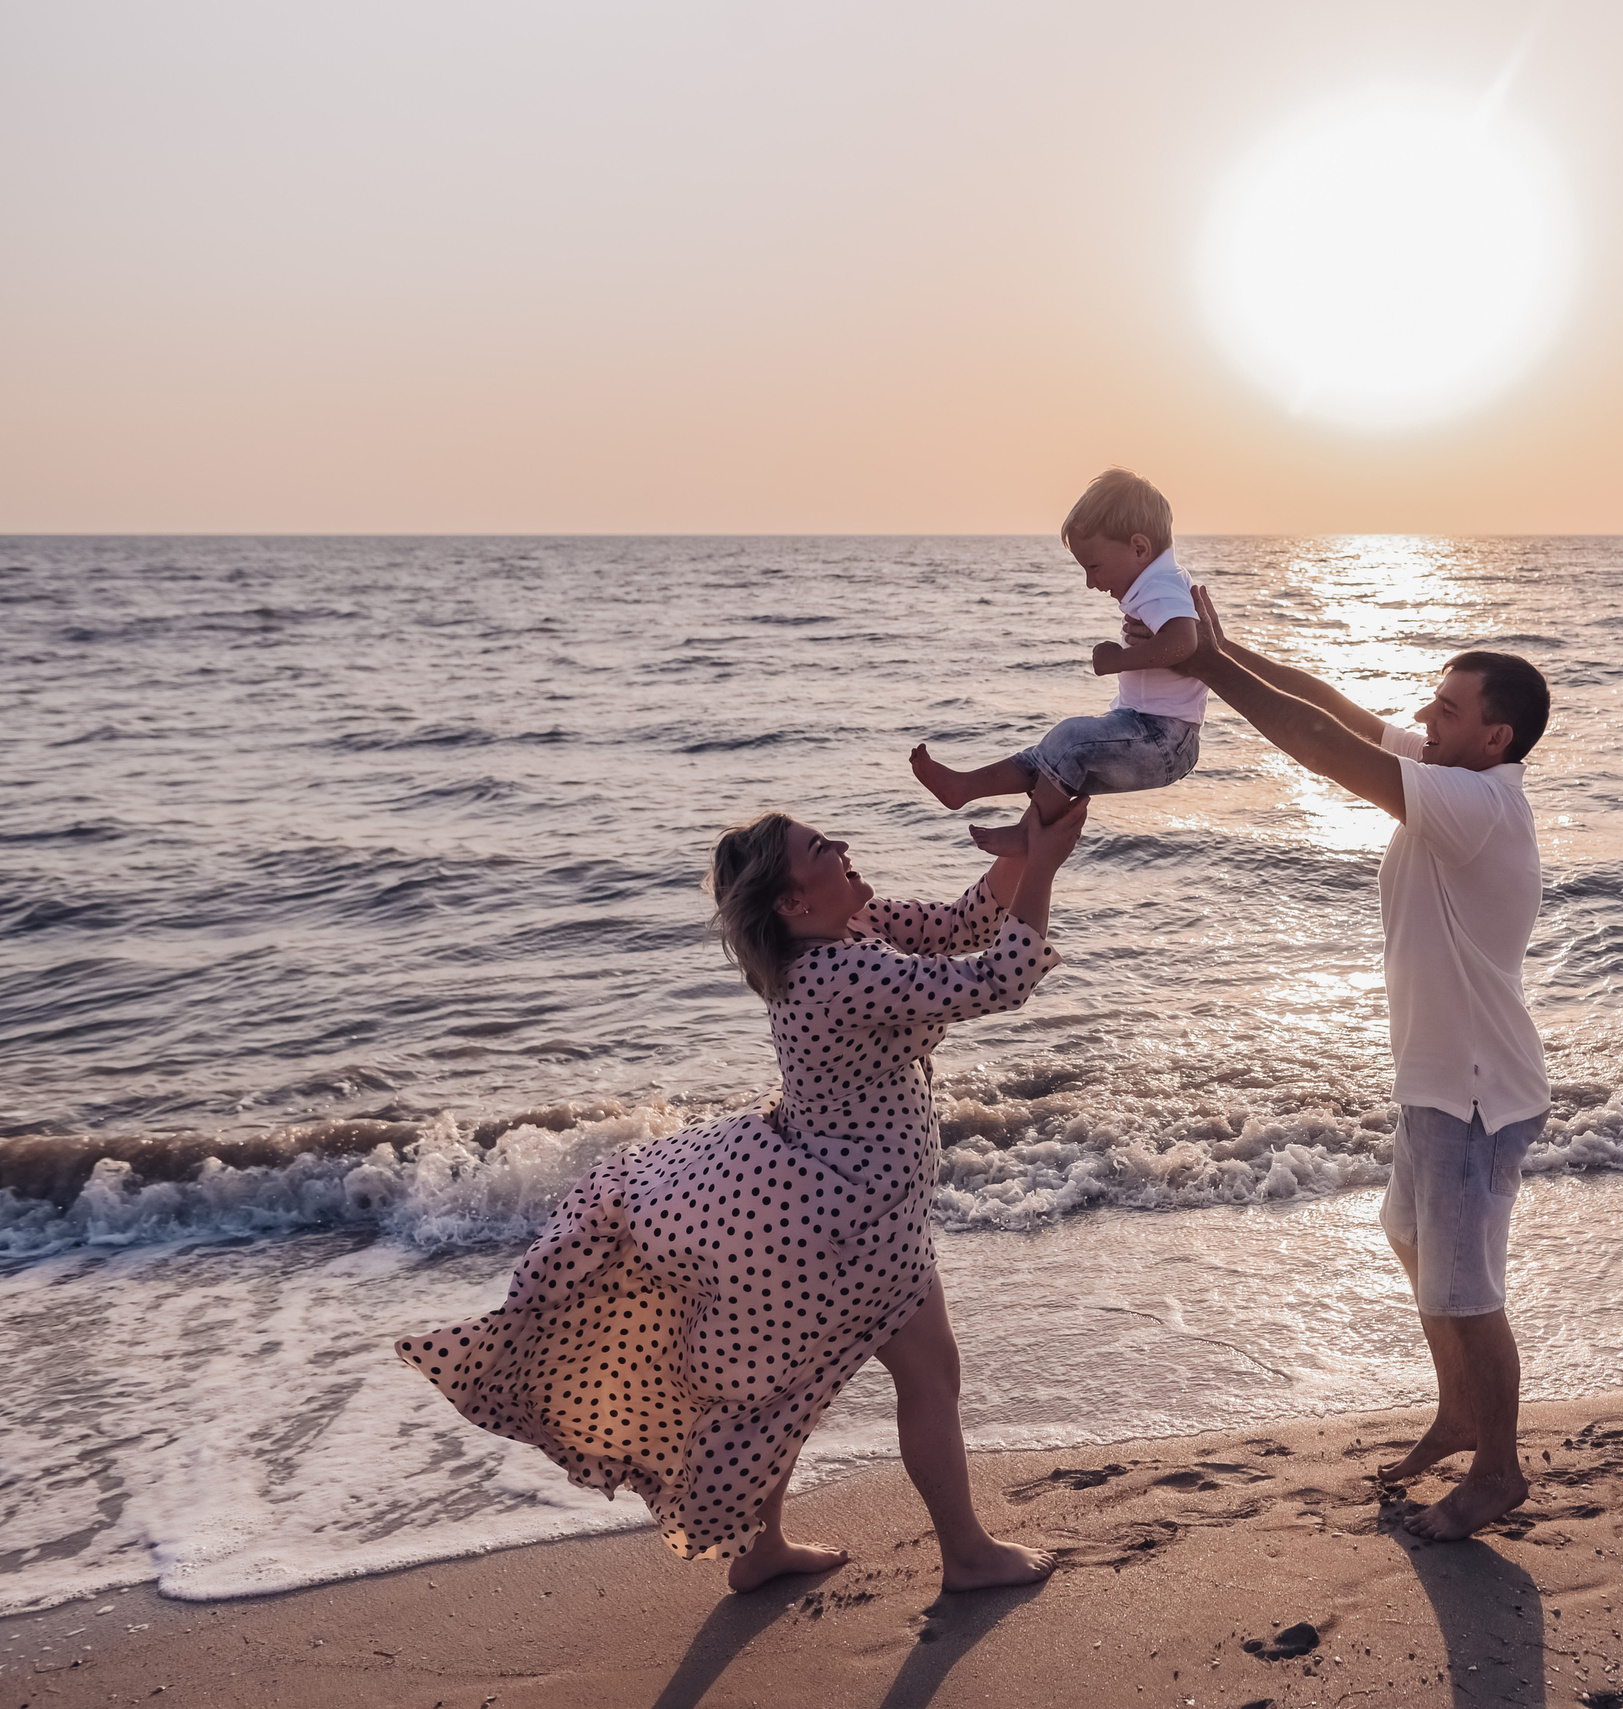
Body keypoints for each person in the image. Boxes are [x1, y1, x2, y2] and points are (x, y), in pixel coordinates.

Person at [395, 796, 1087, 1594]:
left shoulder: (851, 928)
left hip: (831, 1197)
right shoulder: (834, 969)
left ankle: (763, 1551)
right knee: (926, 1375)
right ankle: (964, 1554)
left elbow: (964, 923)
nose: (845, 848)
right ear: (793, 900)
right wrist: (1044, 867)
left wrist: (1023, 848)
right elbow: (1000, 978)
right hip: (852, 1216)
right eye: (823, 847)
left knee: (792, 1382)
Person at [1174, 586, 1551, 1540]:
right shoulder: (1448, 769)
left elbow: (1325, 749)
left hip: (1473, 1092)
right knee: (1415, 1248)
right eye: (1432, 700)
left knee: (1468, 1290)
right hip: (1436, 1084)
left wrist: (1208, 670)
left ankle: (1500, 1469)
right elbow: (1339, 711)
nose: (1425, 714)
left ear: (1496, 737)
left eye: (1448, 706)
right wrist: (1229, 647)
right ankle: (1461, 1414)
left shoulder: (1477, 804)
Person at [910, 468, 1206, 856]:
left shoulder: (1160, 584)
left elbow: (1184, 642)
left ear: (1139, 548)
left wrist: (1119, 660)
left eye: (1094, 567)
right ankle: (965, 788)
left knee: (1068, 742)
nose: (1090, 582)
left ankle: (1029, 835)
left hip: (1166, 740)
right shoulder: (1160, 578)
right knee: (1051, 754)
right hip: (1145, 727)